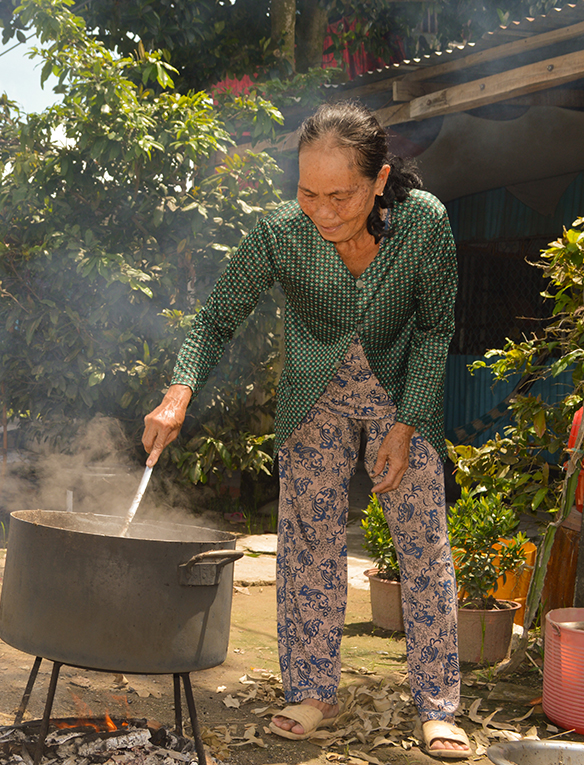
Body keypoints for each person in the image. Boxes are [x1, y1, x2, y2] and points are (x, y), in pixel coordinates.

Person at [142, 100, 470, 759]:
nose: (321, 211)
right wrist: (177, 396)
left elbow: (435, 331)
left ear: (378, 182)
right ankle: (312, 689)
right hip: (313, 393)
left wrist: (406, 426)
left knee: (421, 542)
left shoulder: (423, 225)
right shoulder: (279, 234)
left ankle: (438, 704)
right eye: (307, 191)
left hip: (403, 390)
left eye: (339, 195)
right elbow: (215, 320)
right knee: (307, 542)